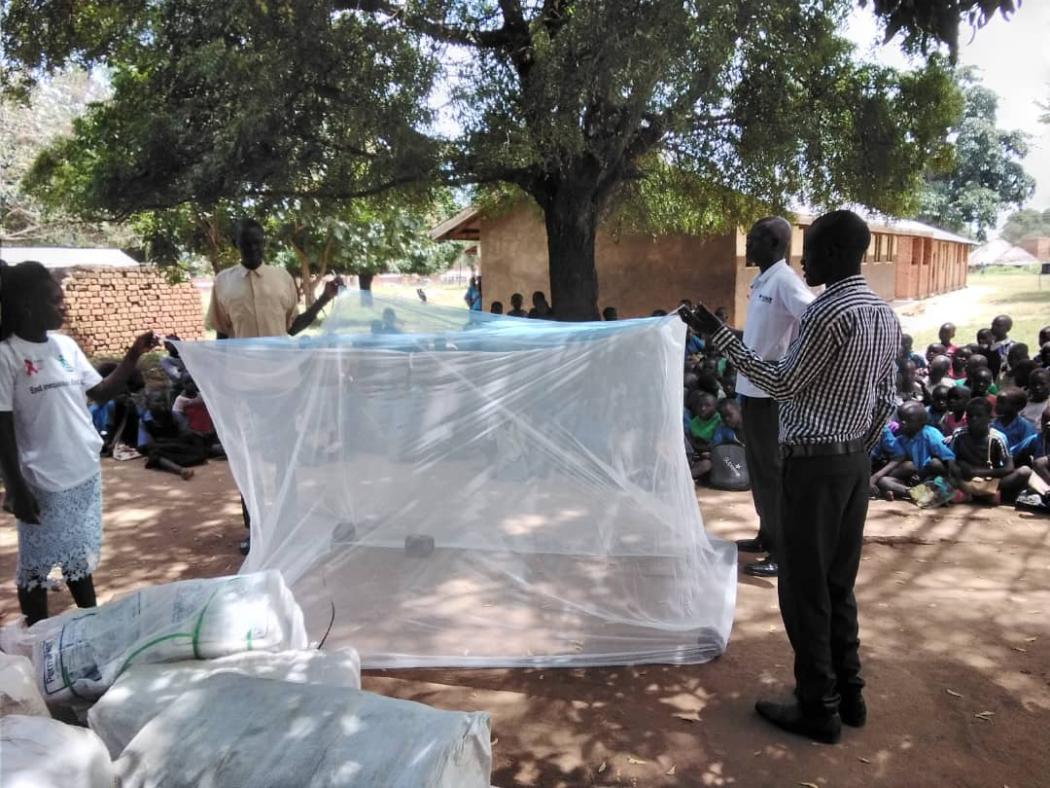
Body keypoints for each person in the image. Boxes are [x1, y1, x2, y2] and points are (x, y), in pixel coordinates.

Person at [685, 210, 900, 743]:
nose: (803, 258)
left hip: (814, 465)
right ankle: (849, 696)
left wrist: (722, 340)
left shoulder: (827, 311)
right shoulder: (880, 312)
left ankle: (816, 707)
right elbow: (885, 397)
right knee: (837, 584)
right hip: (852, 464)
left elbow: (781, 384)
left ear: (832, 254)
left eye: (812, 248)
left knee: (804, 588)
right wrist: (858, 449)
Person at [0, 262, 159, 624]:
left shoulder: (64, 346)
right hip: (43, 480)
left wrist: (133, 355)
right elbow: (3, 429)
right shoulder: (7, 355)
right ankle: (38, 638)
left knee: (76, 556)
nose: (64, 306)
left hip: (83, 471)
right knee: (36, 569)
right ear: (28, 304)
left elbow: (100, 392)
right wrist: (15, 486)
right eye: (56, 300)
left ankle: (91, 623)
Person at [208, 219, 342, 554]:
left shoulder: (282, 278)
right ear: (236, 243)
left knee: (286, 456)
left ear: (263, 243)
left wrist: (324, 299)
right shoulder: (223, 283)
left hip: (284, 385)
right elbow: (222, 336)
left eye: (257, 243)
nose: (253, 249)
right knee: (248, 460)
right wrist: (222, 380)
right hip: (244, 387)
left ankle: (288, 523)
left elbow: (292, 327)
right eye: (246, 244)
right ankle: (254, 529)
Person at [730, 217, 814, 579]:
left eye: (753, 240)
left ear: (774, 243)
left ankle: (782, 550)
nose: (747, 247)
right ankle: (766, 534)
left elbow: (812, 316)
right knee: (760, 470)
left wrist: (791, 360)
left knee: (773, 473)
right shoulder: (762, 280)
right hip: (751, 388)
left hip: (770, 394)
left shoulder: (784, 281)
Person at [949, 397, 1031, 504]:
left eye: (979, 416)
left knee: (1024, 471)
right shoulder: (959, 434)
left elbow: (1009, 467)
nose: (974, 419)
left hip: (990, 481)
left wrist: (977, 472)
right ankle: (977, 495)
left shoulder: (998, 438)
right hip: (964, 480)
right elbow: (950, 458)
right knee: (942, 470)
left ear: (990, 418)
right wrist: (958, 468)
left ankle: (981, 495)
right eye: (970, 415)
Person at [873, 402, 955, 500]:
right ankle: (915, 494)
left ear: (922, 423)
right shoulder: (902, 439)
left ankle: (929, 492)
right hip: (915, 478)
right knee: (884, 481)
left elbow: (948, 458)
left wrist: (951, 479)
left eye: (909, 420)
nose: (903, 423)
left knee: (934, 463)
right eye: (902, 420)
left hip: (932, 475)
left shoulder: (930, 434)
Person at [992, 387, 1038, 459]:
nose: (997, 405)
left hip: (1015, 460)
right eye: (997, 402)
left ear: (1016, 407)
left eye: (1002, 403)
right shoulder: (992, 424)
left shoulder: (1024, 426)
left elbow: (1027, 447)